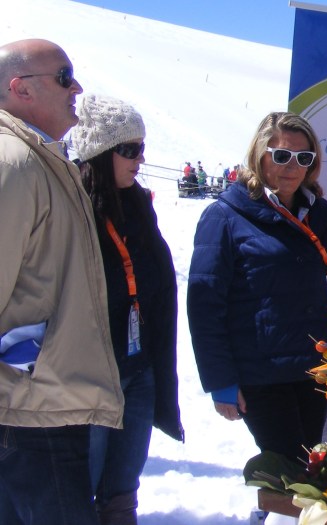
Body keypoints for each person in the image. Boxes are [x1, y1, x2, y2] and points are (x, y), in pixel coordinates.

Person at [187, 112, 327, 464]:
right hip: (262, 377)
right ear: (259, 156)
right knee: (290, 471)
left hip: (316, 369)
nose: (292, 166)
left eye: (303, 158)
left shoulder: (320, 216)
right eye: (281, 155)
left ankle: (277, 518)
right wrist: (220, 380)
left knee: (306, 471)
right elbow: (205, 306)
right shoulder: (224, 218)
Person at [0, 38, 123, 525]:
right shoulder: (14, 163)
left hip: (39, 401)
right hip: (30, 408)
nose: (77, 87)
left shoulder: (37, 159)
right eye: (63, 76)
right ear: (19, 88)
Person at [72, 94, 183, 524]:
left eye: (142, 147)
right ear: (99, 153)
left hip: (137, 370)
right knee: (81, 485)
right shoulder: (73, 206)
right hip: (89, 374)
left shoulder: (137, 204)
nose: (140, 158)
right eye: (129, 149)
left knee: (122, 487)